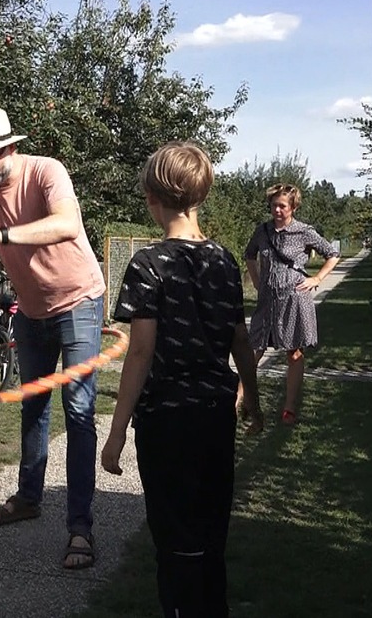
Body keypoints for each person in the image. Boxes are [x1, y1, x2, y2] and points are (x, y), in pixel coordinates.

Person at [0, 107, 106, 570]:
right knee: (32, 404)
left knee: (79, 409)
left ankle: (80, 529)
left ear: (12, 147)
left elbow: (66, 225)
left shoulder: (47, 171)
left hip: (79, 302)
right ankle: (29, 498)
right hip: (31, 313)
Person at [100, 141, 264, 618]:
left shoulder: (148, 265)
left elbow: (141, 352)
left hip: (167, 420)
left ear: (152, 197)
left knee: (174, 541)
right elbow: (241, 344)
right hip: (216, 414)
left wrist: (114, 435)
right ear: (202, 195)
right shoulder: (224, 262)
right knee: (211, 533)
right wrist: (250, 398)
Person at [237, 183, 340, 425]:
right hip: (267, 300)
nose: (277, 210)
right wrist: (256, 280)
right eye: (273, 205)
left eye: (282, 206)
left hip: (294, 298)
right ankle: (239, 399)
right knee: (254, 350)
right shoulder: (262, 231)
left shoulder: (304, 231)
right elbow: (249, 254)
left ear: (293, 207)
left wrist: (316, 278)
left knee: (293, 353)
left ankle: (289, 408)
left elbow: (332, 254)